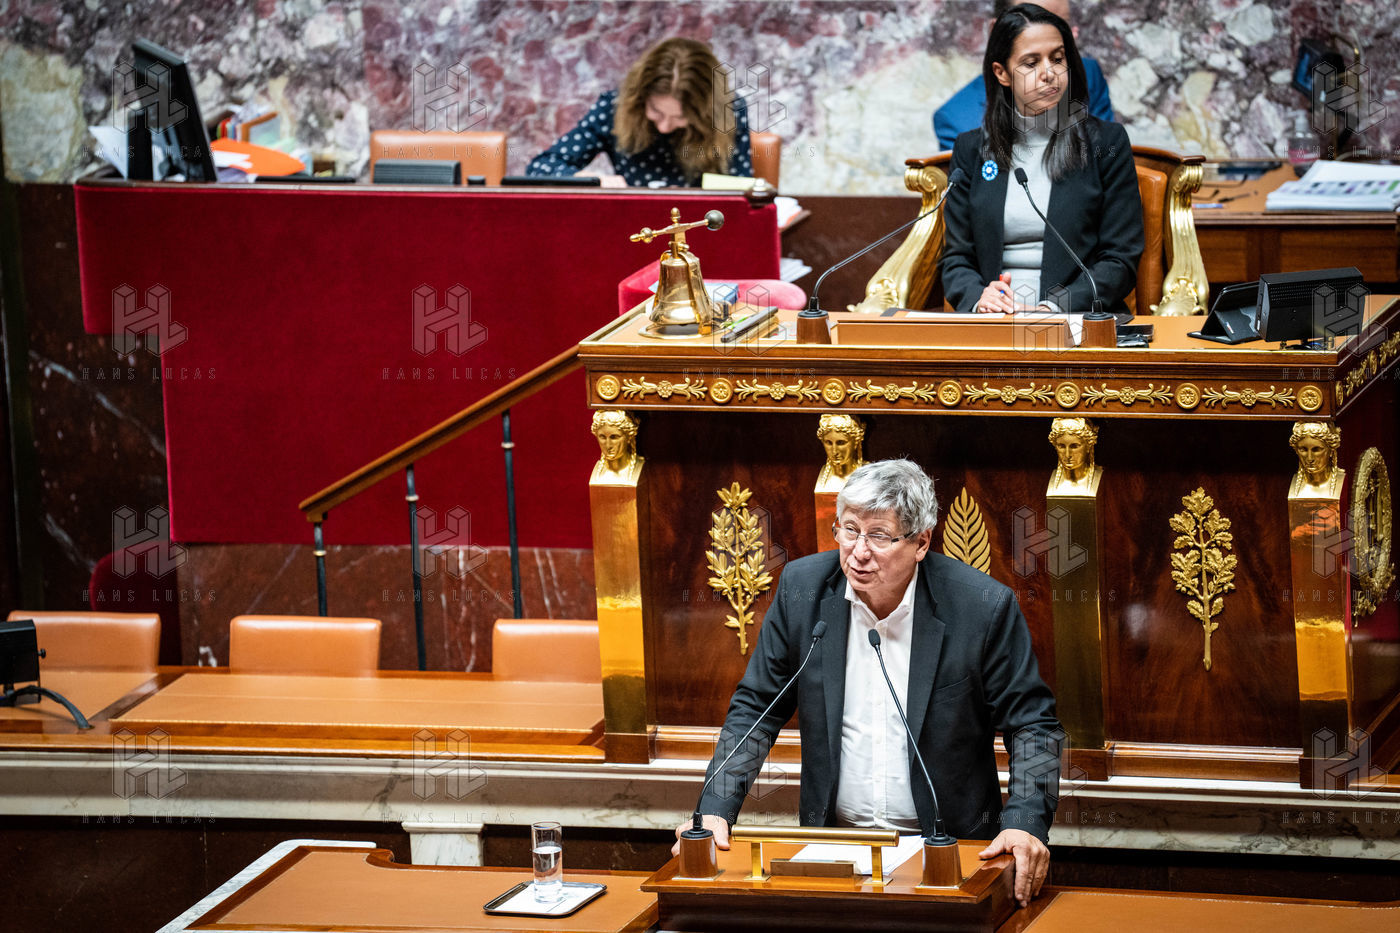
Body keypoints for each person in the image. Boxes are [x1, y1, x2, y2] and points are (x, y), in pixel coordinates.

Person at [674, 459, 1061, 908]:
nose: (858, 552)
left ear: (921, 542)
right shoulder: (802, 590)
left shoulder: (981, 607)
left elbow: (1033, 725)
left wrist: (1025, 822)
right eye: (849, 529)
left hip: (949, 850)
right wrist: (715, 809)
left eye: (879, 536)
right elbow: (756, 708)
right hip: (833, 848)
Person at [940, 3, 1142, 317]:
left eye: (1057, 59)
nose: (1049, 73)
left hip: (1076, 319)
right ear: (1002, 73)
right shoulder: (971, 149)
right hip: (994, 322)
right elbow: (956, 259)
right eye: (1031, 63)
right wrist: (980, 298)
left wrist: (1052, 306)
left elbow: (1120, 260)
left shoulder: (1106, 144)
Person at [526, 37, 752, 187]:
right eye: (655, 111)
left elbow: (743, 189)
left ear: (705, 113)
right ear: (640, 97)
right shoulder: (614, 107)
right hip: (630, 229)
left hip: (700, 230)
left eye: (680, 117)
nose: (664, 127)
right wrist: (586, 179)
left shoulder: (729, 111)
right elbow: (540, 168)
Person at [933, 0, 1113, 151]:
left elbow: (1105, 154)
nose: (1049, 73)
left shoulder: (1089, 75)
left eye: (1062, 25)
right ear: (996, 30)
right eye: (1032, 21)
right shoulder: (957, 119)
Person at [815, 413, 866, 493]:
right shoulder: (824, 480)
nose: (834, 451)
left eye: (841, 443)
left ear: (856, 442)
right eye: (828, 443)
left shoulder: (867, 475)